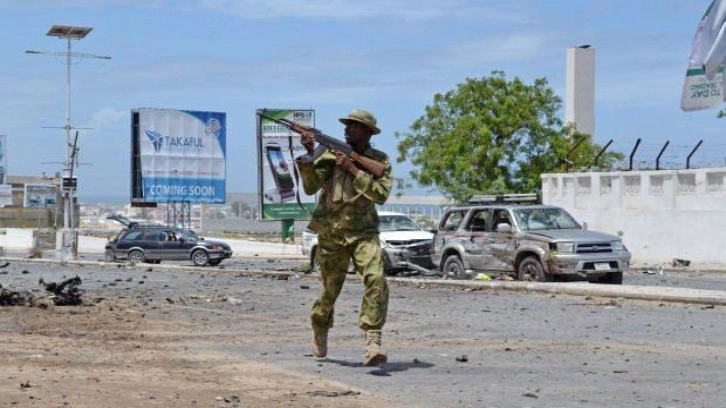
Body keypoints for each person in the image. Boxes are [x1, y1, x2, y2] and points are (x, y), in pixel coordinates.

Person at [295, 109, 392, 366]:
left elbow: (381, 194)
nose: (347, 130)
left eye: (354, 126)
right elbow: (309, 187)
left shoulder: (380, 160)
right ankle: (320, 325)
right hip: (332, 232)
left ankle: (373, 341)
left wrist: (353, 168)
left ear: (367, 132)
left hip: (364, 233)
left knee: (376, 279)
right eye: (347, 125)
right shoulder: (327, 154)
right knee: (330, 290)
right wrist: (308, 153)